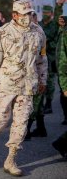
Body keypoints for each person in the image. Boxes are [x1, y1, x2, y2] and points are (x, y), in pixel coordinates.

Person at [0, 0, 47, 176]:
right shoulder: (3, 32)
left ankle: (10, 160)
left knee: (21, 125)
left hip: (27, 86)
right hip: (5, 85)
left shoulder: (38, 32)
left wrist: (43, 79)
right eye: (24, 14)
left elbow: (42, 58)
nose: (28, 17)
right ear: (14, 15)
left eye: (29, 13)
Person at [25, 13, 48, 140]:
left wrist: (43, 79)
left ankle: (27, 131)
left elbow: (43, 58)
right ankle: (41, 129)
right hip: (28, 75)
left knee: (33, 103)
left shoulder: (40, 34)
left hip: (37, 75)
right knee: (37, 104)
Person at [39, 2, 64, 115]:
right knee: (41, 81)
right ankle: (42, 104)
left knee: (49, 81)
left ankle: (48, 104)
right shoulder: (39, 24)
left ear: (51, 13)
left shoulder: (54, 24)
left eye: (47, 12)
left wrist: (58, 5)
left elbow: (59, 14)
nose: (45, 14)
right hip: (40, 57)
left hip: (51, 57)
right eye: (44, 12)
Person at [52, 15, 67, 159]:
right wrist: (64, 86)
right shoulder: (65, 34)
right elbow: (62, 61)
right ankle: (62, 143)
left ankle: (62, 143)